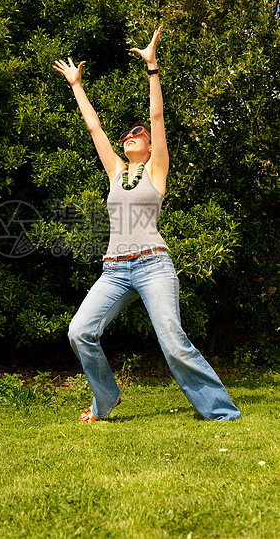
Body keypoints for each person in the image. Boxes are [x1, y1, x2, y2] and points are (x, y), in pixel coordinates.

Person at [53, 25, 241, 423]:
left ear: (151, 145)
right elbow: (94, 128)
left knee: (173, 342)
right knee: (79, 332)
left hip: (153, 264)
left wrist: (152, 68)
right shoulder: (116, 172)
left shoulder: (156, 169)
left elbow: (156, 116)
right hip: (114, 270)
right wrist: (76, 85)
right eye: (127, 134)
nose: (130, 136)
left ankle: (221, 412)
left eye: (137, 133)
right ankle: (106, 400)